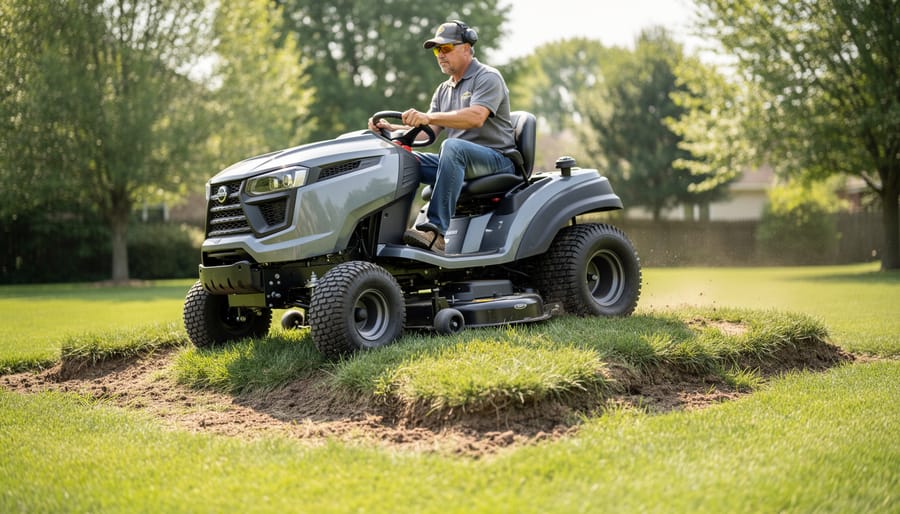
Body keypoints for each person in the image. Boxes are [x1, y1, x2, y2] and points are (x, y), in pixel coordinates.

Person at [368, 20, 518, 254]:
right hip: (456, 160)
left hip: (497, 160)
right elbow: (426, 135)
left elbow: (476, 117)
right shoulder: (443, 89)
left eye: (446, 48)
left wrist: (429, 117)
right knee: (404, 160)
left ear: (467, 48)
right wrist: (390, 131)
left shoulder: (488, 77)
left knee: (453, 147)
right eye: (437, 50)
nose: (440, 55)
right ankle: (387, 232)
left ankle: (435, 233)